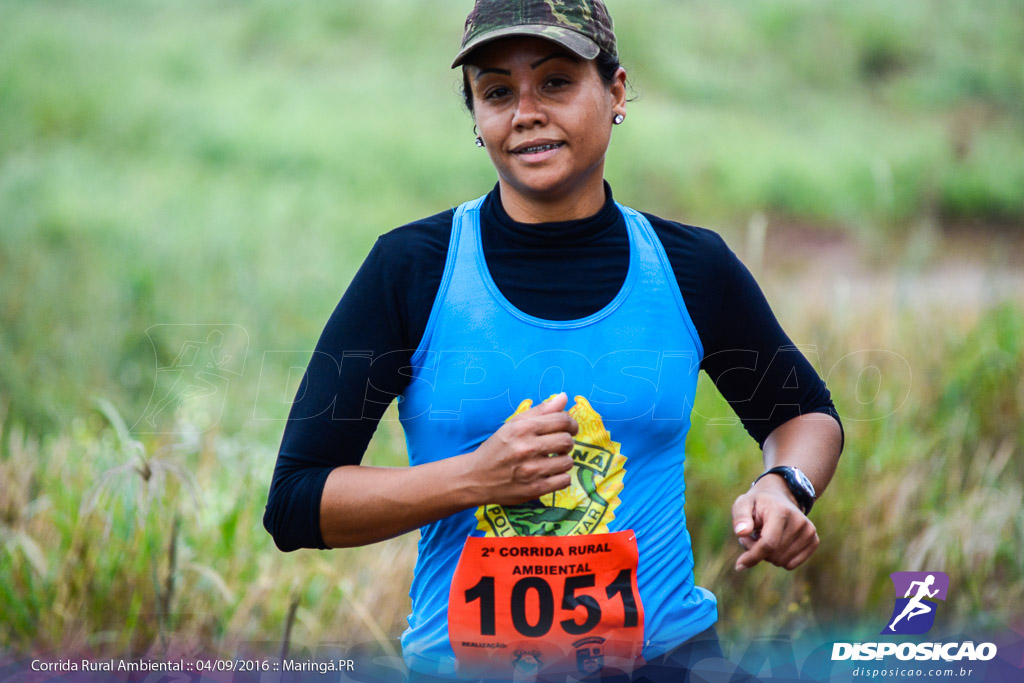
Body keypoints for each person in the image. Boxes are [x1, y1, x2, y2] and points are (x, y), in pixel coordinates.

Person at [263, 1, 843, 681]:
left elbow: (801, 412)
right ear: (477, 119)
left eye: (556, 82)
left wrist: (783, 485)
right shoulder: (411, 269)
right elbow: (297, 502)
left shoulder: (690, 266)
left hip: (669, 662)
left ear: (616, 91)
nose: (526, 112)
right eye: (497, 92)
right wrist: (473, 478)